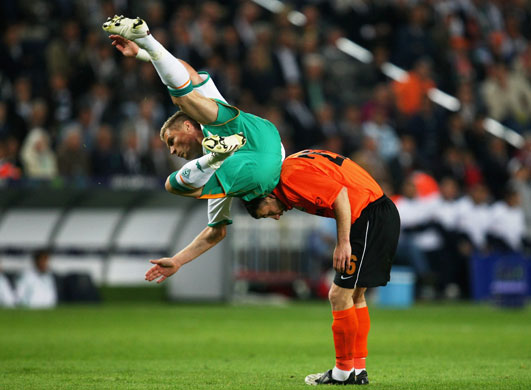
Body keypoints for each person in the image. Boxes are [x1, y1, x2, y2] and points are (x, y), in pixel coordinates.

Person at [102, 16, 284, 282]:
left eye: (171, 141)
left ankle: (215, 157)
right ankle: (147, 37)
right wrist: (177, 261)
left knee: (173, 183)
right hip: (261, 139)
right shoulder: (224, 161)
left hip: (252, 152)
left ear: (187, 127)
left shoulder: (201, 119)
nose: (172, 151)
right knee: (188, 96)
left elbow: (185, 75)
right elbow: (216, 231)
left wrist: (145, 54)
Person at [243, 150, 401, 385]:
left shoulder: (290, 177)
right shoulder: (292, 166)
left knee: (338, 295)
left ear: (267, 195)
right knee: (355, 295)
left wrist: (343, 242)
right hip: (377, 212)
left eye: (268, 213)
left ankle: (342, 372)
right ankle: (357, 371)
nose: (276, 217)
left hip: (367, 215)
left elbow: (340, 195)